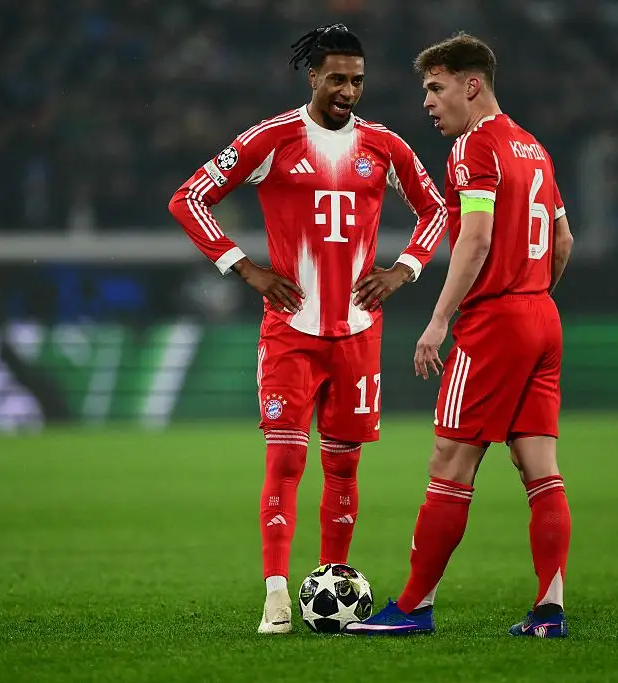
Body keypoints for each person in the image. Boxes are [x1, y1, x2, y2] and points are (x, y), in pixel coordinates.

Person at [168, 23, 448, 635]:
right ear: (313, 76)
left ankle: (333, 586)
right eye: (337, 78)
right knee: (286, 462)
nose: (349, 90)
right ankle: (275, 596)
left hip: (358, 333)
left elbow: (438, 209)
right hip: (291, 331)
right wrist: (245, 268)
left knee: (344, 468)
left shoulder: (385, 145)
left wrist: (403, 270)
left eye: (358, 80)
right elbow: (188, 199)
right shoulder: (271, 138)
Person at [345, 32, 575, 638]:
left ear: (472, 85)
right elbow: (563, 240)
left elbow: (474, 239)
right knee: (540, 468)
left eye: (435, 87)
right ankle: (549, 611)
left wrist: (440, 319)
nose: (427, 100)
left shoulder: (475, 146)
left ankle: (413, 607)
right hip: (541, 317)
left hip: (495, 322)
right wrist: (532, 293)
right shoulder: (533, 147)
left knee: (449, 463)